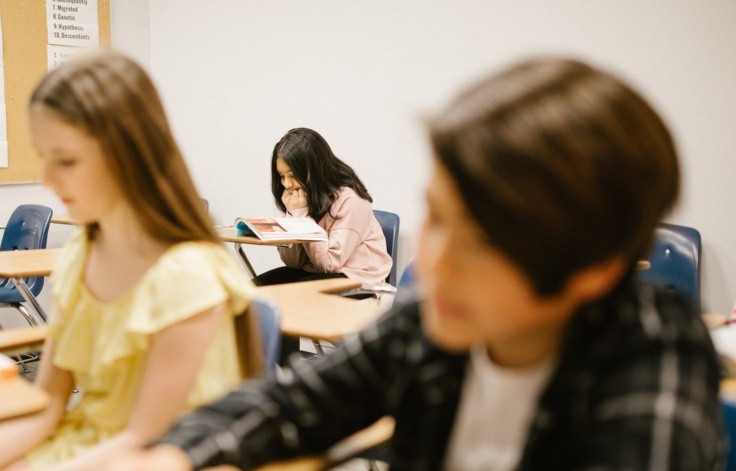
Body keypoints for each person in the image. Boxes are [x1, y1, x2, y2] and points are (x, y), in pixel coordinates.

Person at [106, 57, 725, 470]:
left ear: (595, 268)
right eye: (436, 217)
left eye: (482, 240)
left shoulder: (652, 355)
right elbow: (291, 400)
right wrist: (173, 455)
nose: (433, 260)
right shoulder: (435, 324)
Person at [0, 50, 262, 470]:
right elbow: (47, 402)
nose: (46, 179)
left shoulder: (187, 274)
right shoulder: (81, 254)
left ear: (128, 156)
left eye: (66, 160)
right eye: (43, 156)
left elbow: (144, 441)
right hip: (90, 449)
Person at [252, 127, 392, 287]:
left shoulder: (351, 200)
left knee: (292, 295)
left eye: (292, 175)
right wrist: (293, 215)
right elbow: (293, 262)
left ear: (313, 171)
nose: (287, 184)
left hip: (357, 278)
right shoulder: (302, 199)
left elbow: (329, 264)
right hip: (316, 272)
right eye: (281, 176)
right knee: (253, 289)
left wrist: (301, 217)